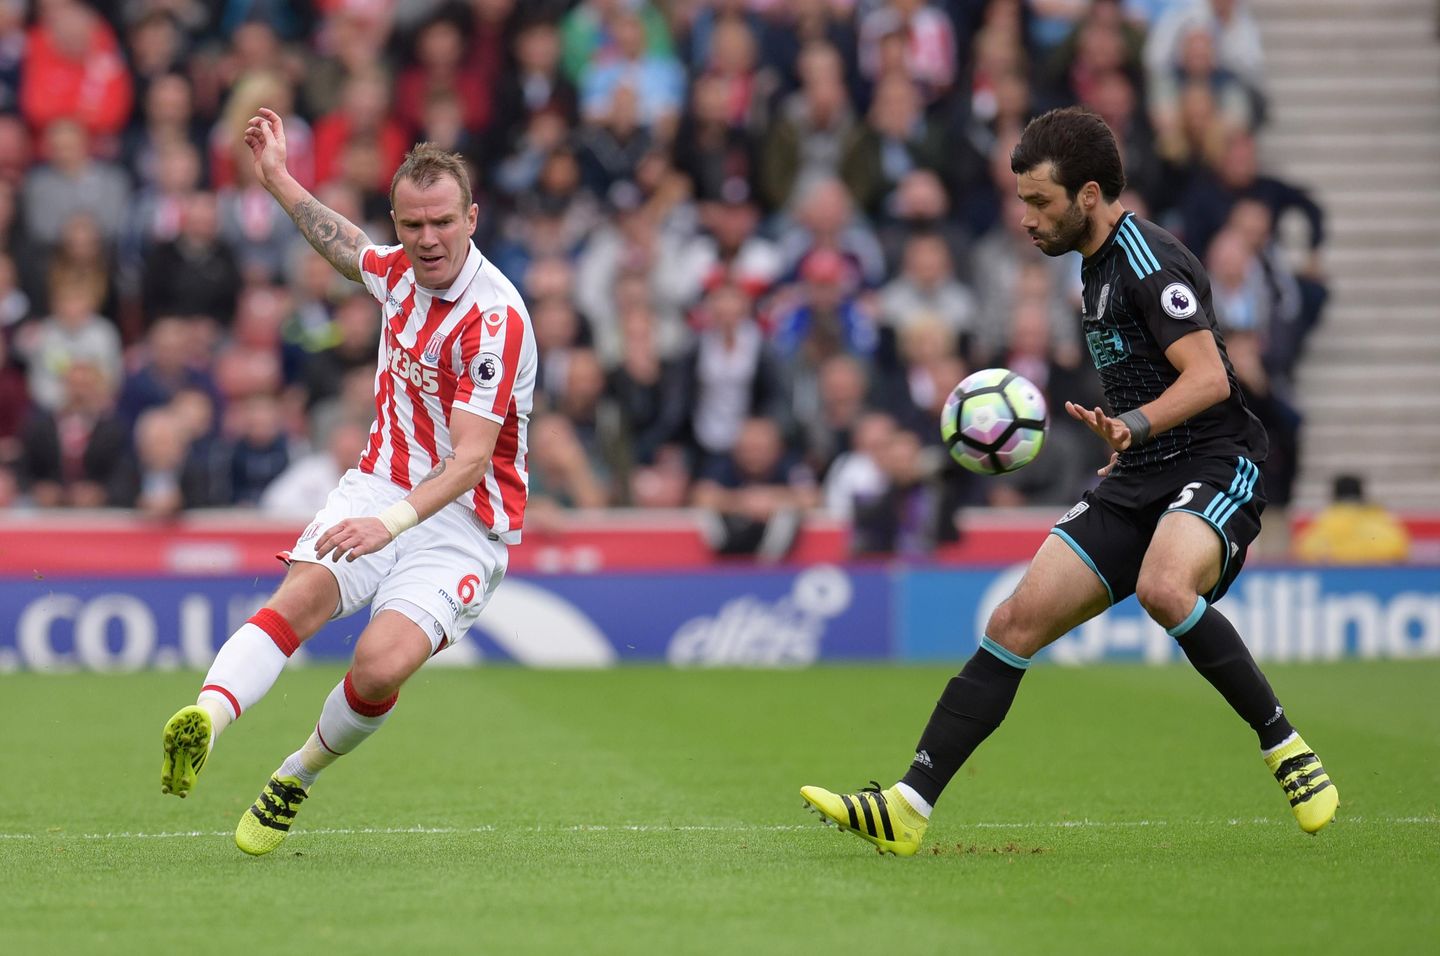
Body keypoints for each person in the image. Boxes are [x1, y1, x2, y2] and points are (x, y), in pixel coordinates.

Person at [800, 107, 1338, 856]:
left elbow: (1210, 378)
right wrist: (1128, 442)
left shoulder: (1149, 260)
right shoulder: (1091, 264)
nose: (1026, 217)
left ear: (1088, 195)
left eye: (1039, 201)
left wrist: (1136, 425)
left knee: (1164, 588)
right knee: (1013, 623)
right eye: (1022, 200)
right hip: (1140, 471)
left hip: (1216, 462)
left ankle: (1287, 750)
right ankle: (906, 807)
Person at [159, 109, 537, 857]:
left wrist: (387, 526)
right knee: (299, 597)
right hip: (379, 484)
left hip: (464, 521)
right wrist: (277, 178)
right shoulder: (397, 271)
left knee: (379, 665)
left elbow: (468, 461)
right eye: (412, 224)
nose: (428, 239)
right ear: (399, 221)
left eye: (442, 223)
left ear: (471, 219)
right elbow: (348, 248)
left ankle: (296, 773)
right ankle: (206, 718)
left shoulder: (493, 320)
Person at [1293, 475, 1410, 565]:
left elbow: (1305, 551)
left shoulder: (1326, 520)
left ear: (1333, 495)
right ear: (1362, 494)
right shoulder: (1378, 518)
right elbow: (1399, 549)